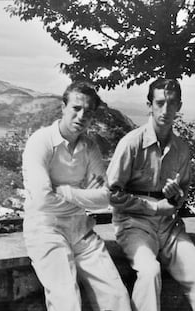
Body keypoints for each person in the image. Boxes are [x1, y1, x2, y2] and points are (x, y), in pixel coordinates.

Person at [106, 78, 195, 311]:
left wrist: (174, 197)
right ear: (149, 105)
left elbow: (179, 196)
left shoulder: (181, 149)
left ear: (179, 107)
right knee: (150, 272)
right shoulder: (131, 144)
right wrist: (153, 207)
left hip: (170, 228)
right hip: (134, 225)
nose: (165, 110)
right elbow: (112, 194)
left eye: (171, 104)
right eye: (160, 102)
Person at [22, 81, 132, 311]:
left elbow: (104, 198)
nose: (81, 116)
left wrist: (64, 191)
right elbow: (42, 199)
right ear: (63, 107)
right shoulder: (40, 142)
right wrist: (85, 194)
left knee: (117, 296)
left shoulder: (89, 147)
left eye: (88, 112)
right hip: (45, 229)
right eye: (76, 108)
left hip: (81, 229)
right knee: (67, 301)